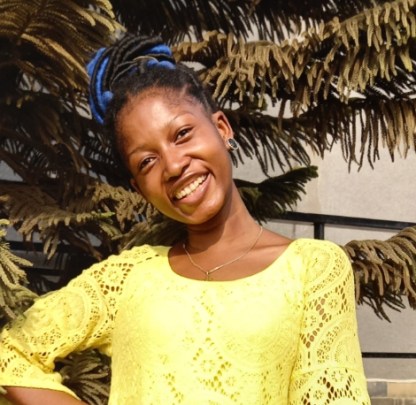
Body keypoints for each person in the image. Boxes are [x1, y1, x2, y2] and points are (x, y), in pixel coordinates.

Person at [0, 34, 370, 404]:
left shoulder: (312, 269)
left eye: (182, 134)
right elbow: (10, 353)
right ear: (139, 188)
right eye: (147, 161)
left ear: (222, 129)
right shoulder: (126, 279)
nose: (174, 166)